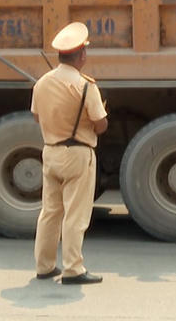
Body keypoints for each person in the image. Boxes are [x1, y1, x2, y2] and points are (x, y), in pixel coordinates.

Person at [31, 21, 109, 284]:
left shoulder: (41, 83)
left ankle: (44, 266)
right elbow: (100, 125)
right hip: (77, 154)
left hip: (50, 152)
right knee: (75, 213)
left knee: (50, 211)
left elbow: (36, 116)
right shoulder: (87, 86)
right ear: (82, 55)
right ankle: (73, 269)